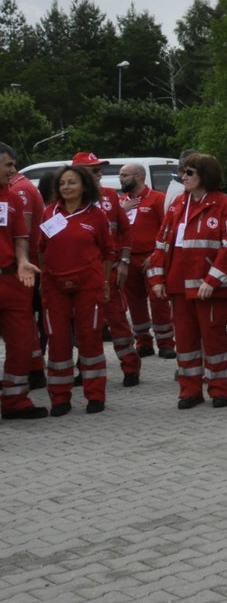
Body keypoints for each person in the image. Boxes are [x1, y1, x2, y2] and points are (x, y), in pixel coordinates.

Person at [147, 154, 227, 409]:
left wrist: (213, 280)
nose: (183, 177)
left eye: (189, 173)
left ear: (205, 175)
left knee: (214, 340)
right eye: (183, 172)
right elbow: (161, 244)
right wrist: (157, 278)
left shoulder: (223, 204)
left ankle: (220, 389)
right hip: (178, 285)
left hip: (209, 288)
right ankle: (189, 391)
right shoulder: (178, 204)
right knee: (185, 342)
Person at [38, 164, 114, 416]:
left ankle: (95, 395)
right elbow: (40, 250)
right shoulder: (49, 213)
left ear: (84, 185)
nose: (66, 187)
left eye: (72, 182)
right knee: (58, 341)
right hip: (54, 286)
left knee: (89, 337)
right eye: (62, 183)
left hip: (88, 286)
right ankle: (60, 398)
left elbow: (107, 252)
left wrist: (104, 283)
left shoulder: (96, 215)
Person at [73, 152, 140, 389]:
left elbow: (125, 231)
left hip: (109, 272)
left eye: (100, 169)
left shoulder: (111, 196)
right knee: (85, 324)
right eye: (94, 170)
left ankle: (130, 367)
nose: (99, 173)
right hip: (81, 274)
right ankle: (86, 369)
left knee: (118, 321)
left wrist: (123, 262)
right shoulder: (67, 201)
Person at [0, 143, 45, 421]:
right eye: (7, 165)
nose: (13, 170)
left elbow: (20, 239)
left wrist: (23, 260)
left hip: (13, 280)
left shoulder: (13, 198)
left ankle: (15, 400)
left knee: (21, 343)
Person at [118, 161, 172, 362]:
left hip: (151, 258)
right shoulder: (121, 201)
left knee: (159, 301)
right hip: (129, 259)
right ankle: (143, 342)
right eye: (120, 175)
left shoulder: (157, 199)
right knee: (135, 303)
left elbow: (166, 230)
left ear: (139, 176)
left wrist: (157, 256)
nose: (120, 179)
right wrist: (121, 210)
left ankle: (166, 343)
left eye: (124, 175)